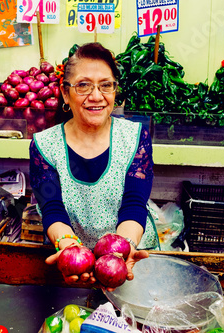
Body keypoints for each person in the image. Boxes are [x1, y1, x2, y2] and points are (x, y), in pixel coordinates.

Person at [29, 42, 159, 289]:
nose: (97, 96)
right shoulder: (44, 145)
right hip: (72, 259)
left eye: (106, 85)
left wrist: (125, 249)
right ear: (65, 94)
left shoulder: (134, 137)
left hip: (126, 258)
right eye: (83, 85)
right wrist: (69, 248)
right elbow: (52, 208)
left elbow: (134, 203)